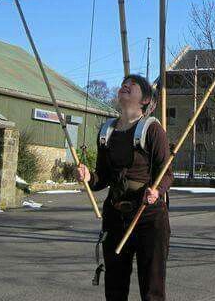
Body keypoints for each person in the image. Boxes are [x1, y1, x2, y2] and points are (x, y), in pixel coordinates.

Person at [77, 74, 173, 301]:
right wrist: (88, 176)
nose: (125, 86)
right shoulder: (106, 131)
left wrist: (157, 191)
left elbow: (166, 173)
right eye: (123, 84)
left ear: (145, 99)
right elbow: (102, 178)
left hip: (148, 217)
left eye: (134, 85)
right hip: (116, 217)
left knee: (152, 289)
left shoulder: (152, 130)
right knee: (115, 287)